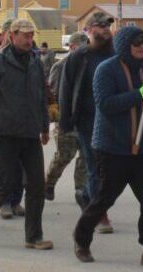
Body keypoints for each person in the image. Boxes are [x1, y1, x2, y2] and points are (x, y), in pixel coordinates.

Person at [73, 26, 143, 267]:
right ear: (123, 46)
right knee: (103, 199)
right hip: (111, 148)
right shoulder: (105, 70)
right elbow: (105, 104)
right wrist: (139, 93)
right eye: (136, 44)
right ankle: (82, 239)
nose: (141, 48)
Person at [0, 19, 53, 250]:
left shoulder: (35, 62)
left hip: (30, 134)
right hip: (4, 134)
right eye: (24, 36)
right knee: (6, 183)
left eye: (31, 36)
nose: (29, 40)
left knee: (37, 185)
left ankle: (33, 237)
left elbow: (41, 97)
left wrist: (45, 127)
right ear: (12, 35)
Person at [60, 12, 116, 233]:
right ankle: (100, 214)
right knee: (95, 168)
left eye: (108, 26)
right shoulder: (78, 57)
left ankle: (85, 195)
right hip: (87, 122)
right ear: (89, 29)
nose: (105, 30)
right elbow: (65, 90)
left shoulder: (116, 54)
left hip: (113, 120)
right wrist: (65, 123)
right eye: (101, 26)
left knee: (111, 170)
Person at [45, 31, 88, 202]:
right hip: (66, 120)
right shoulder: (60, 66)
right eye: (80, 46)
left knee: (85, 157)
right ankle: (48, 183)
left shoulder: (90, 65)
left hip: (84, 120)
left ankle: (81, 191)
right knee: (64, 156)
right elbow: (53, 94)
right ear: (71, 47)